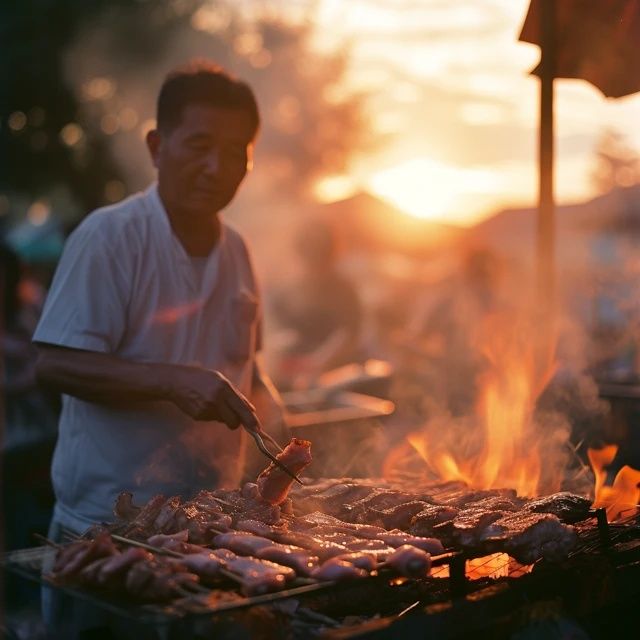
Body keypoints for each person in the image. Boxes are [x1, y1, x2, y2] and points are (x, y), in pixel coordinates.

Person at [33, 60, 287, 542]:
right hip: (106, 527)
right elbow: (53, 365)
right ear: (157, 146)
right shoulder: (109, 236)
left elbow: (247, 367)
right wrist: (172, 382)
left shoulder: (238, 250)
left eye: (236, 152)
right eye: (200, 145)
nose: (216, 167)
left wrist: (272, 407)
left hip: (214, 525)